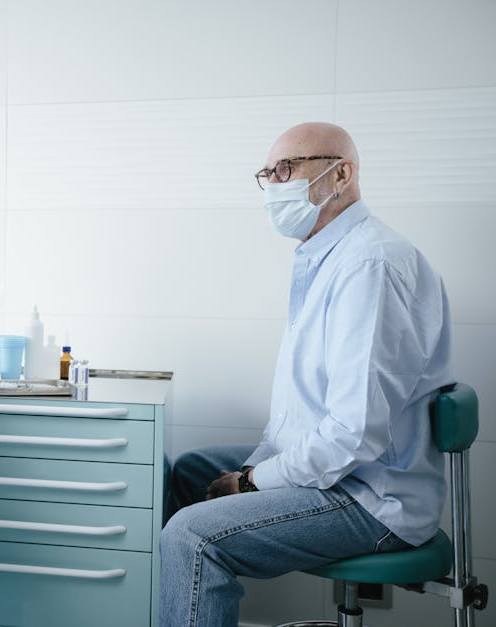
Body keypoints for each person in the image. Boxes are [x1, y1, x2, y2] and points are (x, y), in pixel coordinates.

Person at [159, 122, 453, 627]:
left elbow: (351, 435)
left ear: (342, 174)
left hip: (369, 497)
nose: (275, 184)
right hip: (344, 473)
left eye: (288, 169)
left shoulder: (370, 265)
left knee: (192, 536)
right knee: (190, 471)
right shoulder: (329, 258)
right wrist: (258, 469)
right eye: (267, 174)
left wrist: (252, 481)